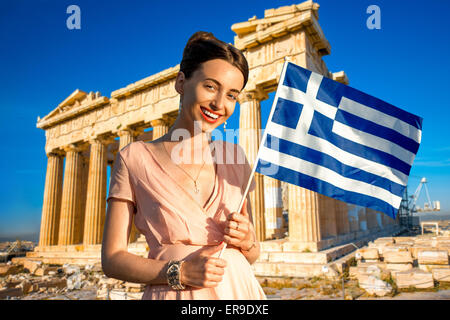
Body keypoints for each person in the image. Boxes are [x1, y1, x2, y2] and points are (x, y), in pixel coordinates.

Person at [101, 31, 266, 300]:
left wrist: (248, 241)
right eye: (210, 86)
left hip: (238, 291)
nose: (219, 104)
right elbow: (112, 259)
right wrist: (179, 272)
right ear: (181, 82)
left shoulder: (235, 156)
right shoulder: (134, 158)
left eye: (232, 95)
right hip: (174, 293)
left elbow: (253, 253)